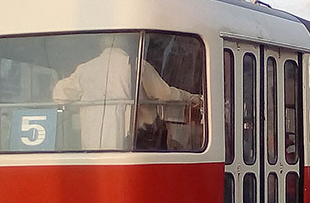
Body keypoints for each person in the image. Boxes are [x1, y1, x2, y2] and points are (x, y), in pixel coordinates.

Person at [53, 33, 201, 150]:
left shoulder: (84, 69)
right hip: (136, 142)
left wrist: (80, 106)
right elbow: (166, 94)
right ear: (127, 44)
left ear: (101, 45)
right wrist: (191, 98)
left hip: (92, 143)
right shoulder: (136, 65)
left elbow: (59, 95)